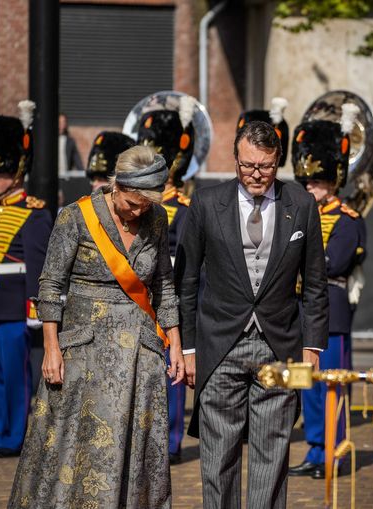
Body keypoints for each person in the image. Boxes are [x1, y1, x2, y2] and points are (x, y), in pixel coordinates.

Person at [9, 145, 185, 508]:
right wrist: (52, 349)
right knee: (75, 445)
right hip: (84, 352)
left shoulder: (157, 218)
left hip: (140, 354)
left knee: (135, 447)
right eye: (133, 202)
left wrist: (177, 345)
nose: (138, 211)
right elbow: (51, 285)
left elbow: (164, 286)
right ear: (115, 185)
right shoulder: (75, 217)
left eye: (146, 204)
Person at [174, 120, 328, 509]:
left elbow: (314, 284)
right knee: (218, 457)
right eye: (247, 166)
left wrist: (313, 347)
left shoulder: (302, 204)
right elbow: (186, 281)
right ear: (235, 160)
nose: (256, 175)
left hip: (282, 346)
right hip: (218, 345)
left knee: (272, 454)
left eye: (265, 166)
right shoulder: (206, 204)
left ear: (278, 161)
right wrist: (187, 349)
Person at [287, 106, 367, 479]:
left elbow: (333, 264)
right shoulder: (296, 215)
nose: (310, 187)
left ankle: (334, 451)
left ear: (333, 180)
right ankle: (316, 450)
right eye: (307, 182)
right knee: (309, 388)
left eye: (316, 182)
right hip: (299, 311)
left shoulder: (348, 220)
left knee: (332, 383)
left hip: (331, 311)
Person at [136, 95, 203, 463]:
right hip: (139, 295)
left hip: (170, 294)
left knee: (172, 368)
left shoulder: (185, 208)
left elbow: (189, 264)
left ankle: (171, 439)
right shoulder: (140, 203)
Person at [0, 101, 52, 457]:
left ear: (15, 172)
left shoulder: (33, 211)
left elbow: (38, 264)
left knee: (14, 377)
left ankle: (11, 436)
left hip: (14, 308)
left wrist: (36, 310)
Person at [58, 113, 83, 177]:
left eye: (63, 122)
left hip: (65, 176)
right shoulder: (50, 140)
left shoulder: (70, 141)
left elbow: (77, 160)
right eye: (59, 122)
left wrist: (83, 174)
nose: (61, 125)